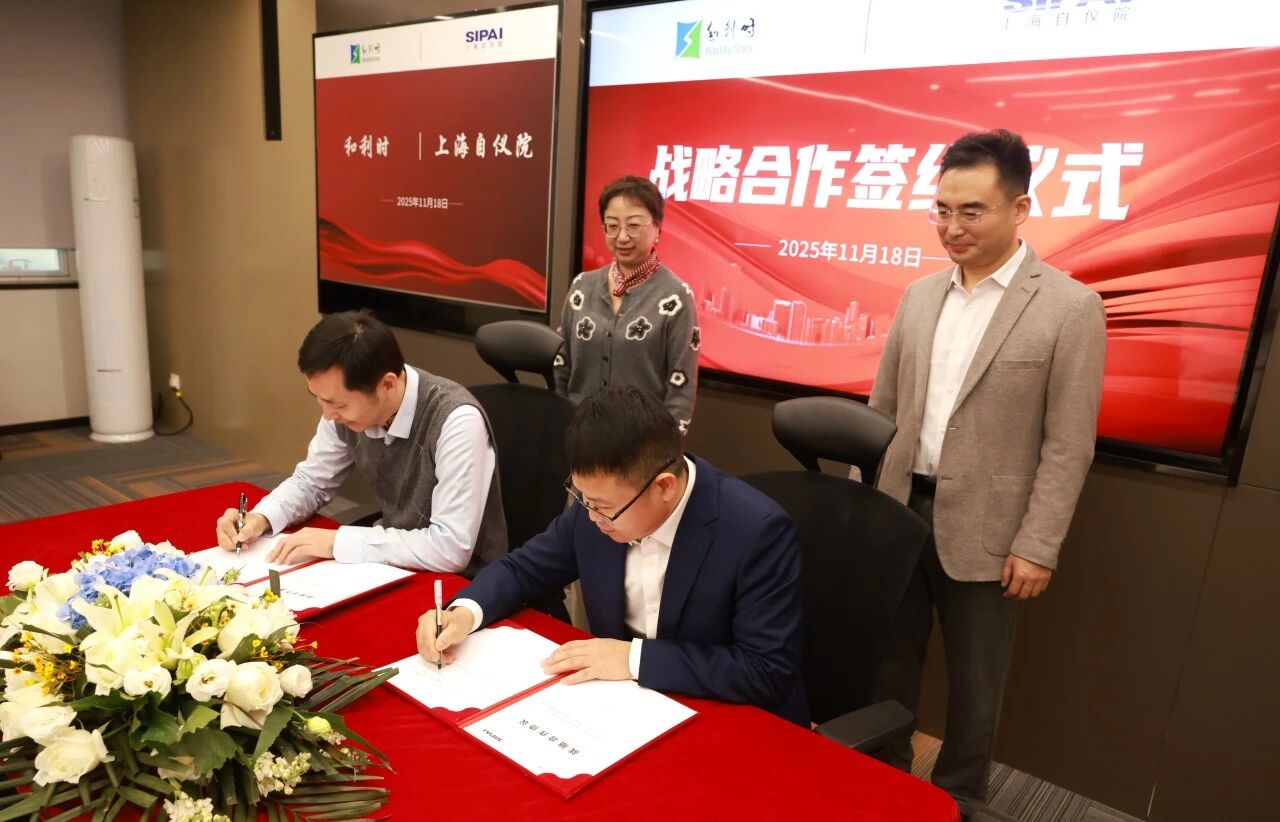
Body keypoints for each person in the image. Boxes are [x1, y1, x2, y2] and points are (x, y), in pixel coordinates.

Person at [867, 129, 1106, 814]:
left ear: (1020, 208)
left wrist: (1039, 543)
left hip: (993, 533)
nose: (953, 226)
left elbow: (1068, 443)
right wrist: (864, 506)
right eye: (942, 210)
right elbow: (882, 411)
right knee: (887, 664)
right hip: (898, 512)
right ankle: (882, 784)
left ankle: (959, 800)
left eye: (972, 210)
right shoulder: (918, 295)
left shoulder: (1069, 307)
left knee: (976, 687)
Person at [417, 385, 807, 725]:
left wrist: (633, 659)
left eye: (603, 507)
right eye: (582, 498)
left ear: (665, 487)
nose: (590, 516)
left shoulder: (755, 532)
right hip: (623, 708)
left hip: (726, 718)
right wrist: (464, 613)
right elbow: (523, 570)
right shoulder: (598, 508)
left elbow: (766, 670)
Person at [214, 309, 507, 576]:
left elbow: (450, 548)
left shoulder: (455, 421)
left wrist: (337, 542)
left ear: (387, 385)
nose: (328, 415)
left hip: (463, 586)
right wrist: (260, 518)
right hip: (390, 564)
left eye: (337, 404)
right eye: (318, 399)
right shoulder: (342, 413)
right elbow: (311, 482)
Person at [555, 175, 699, 433]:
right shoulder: (582, 286)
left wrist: (661, 449)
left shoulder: (676, 297)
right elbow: (561, 365)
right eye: (612, 226)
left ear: (657, 227)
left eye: (633, 225)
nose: (622, 237)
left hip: (641, 440)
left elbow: (681, 391)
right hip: (578, 434)